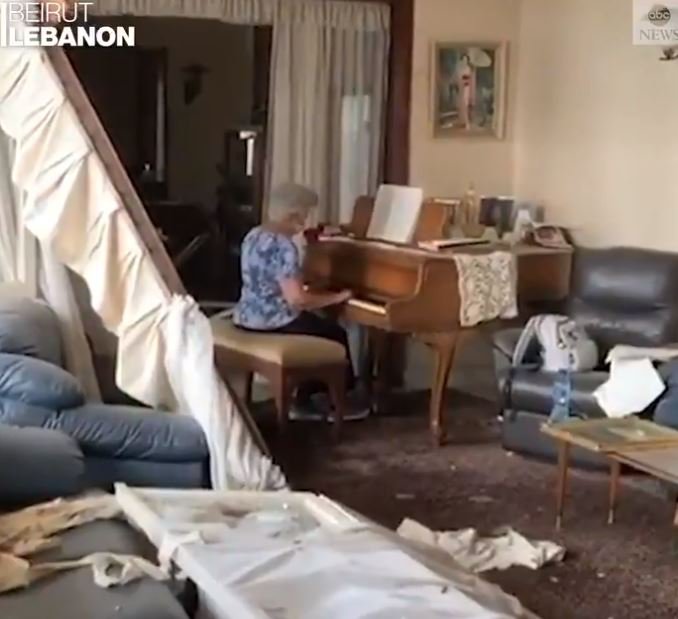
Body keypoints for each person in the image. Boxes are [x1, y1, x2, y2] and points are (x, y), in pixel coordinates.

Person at [233, 182, 368, 420]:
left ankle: (309, 396)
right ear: (292, 215)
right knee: (335, 334)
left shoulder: (253, 235)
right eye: (304, 215)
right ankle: (325, 402)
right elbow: (298, 301)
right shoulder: (284, 246)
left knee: (316, 325)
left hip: (247, 317)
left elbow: (272, 282)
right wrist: (338, 296)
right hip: (273, 322)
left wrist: (312, 290)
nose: (305, 222)